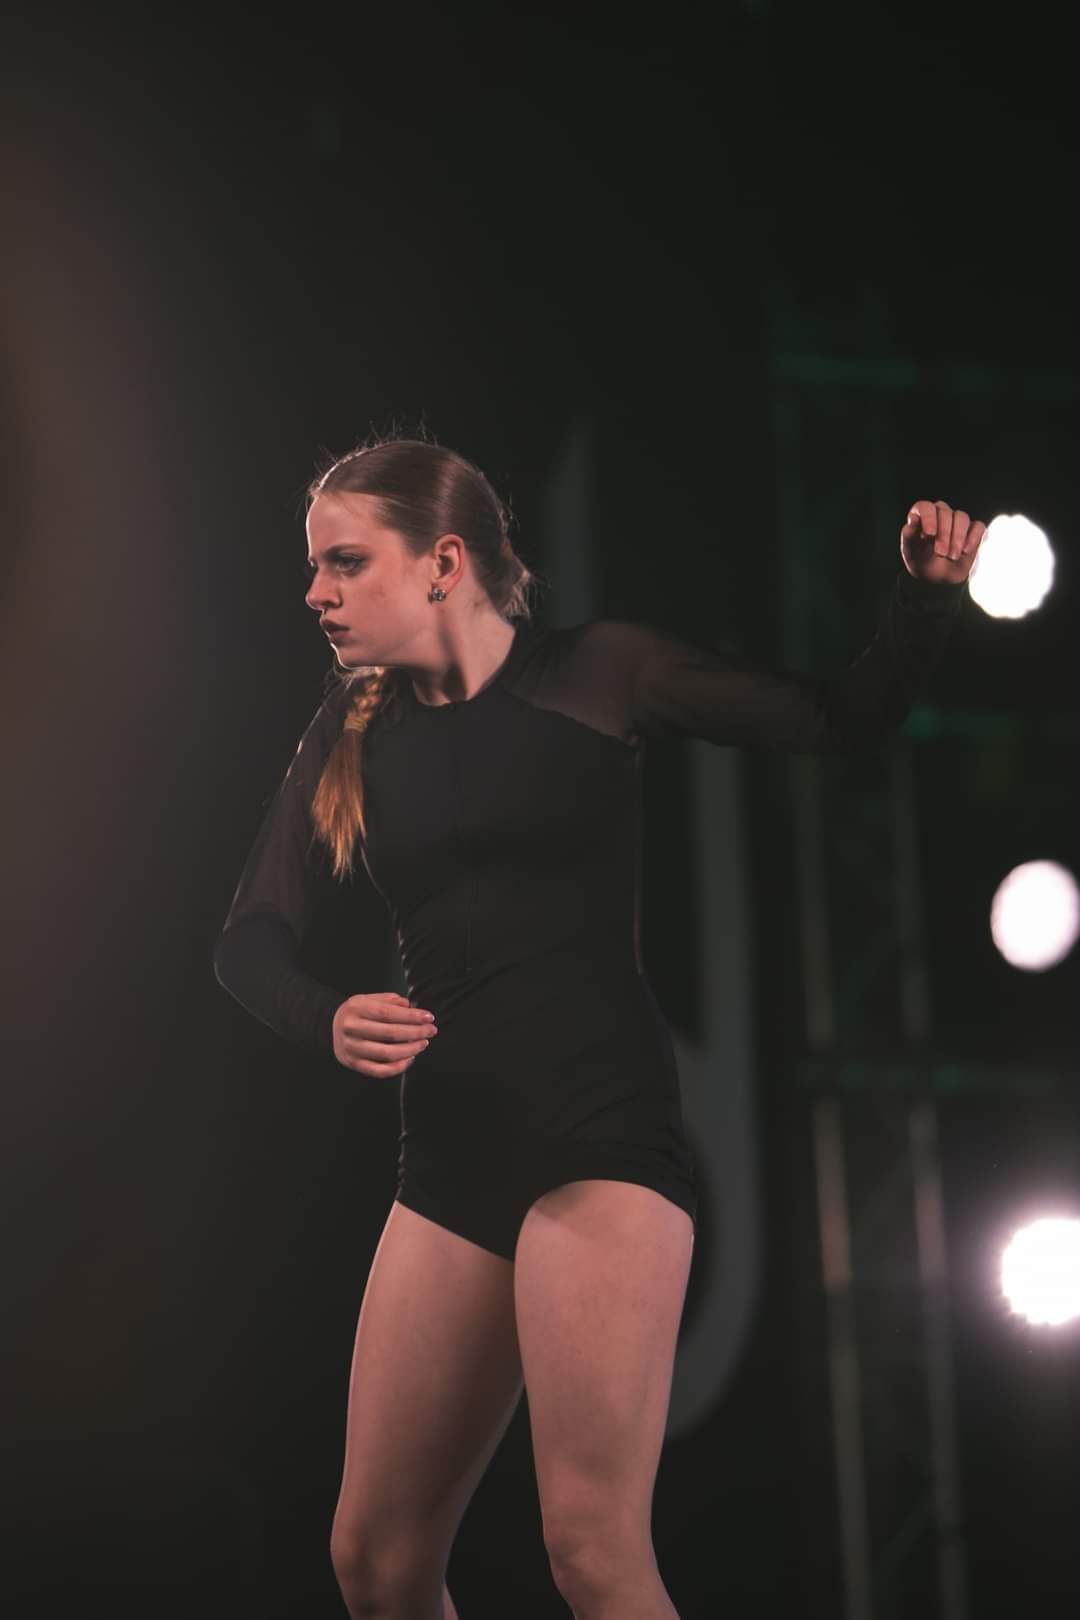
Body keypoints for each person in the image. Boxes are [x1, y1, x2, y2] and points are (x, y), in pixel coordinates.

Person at [213, 434, 983, 1620]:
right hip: (452, 1158)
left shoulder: (601, 674)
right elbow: (249, 939)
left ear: (442, 562)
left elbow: (841, 718)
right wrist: (325, 1019)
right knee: (373, 1559)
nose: (314, 593)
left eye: (344, 563)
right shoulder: (353, 729)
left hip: (601, 1141)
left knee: (590, 1547)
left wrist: (924, 600)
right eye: (315, 568)